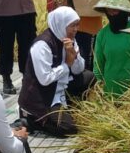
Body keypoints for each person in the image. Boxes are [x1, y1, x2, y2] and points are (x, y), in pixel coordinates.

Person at [19, 7, 94, 137]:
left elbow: (79, 69)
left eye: (77, 25)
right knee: (69, 129)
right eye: (72, 26)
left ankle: (66, 109)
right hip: (42, 96)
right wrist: (67, 65)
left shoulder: (70, 39)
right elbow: (45, 79)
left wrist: (74, 56)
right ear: (61, 24)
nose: (76, 29)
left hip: (59, 88)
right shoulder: (42, 45)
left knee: (89, 77)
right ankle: (34, 120)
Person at [92, 0, 130, 97]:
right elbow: (98, 64)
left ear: (123, 11)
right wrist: (99, 86)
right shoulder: (102, 35)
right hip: (109, 91)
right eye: (109, 11)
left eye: (115, 11)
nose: (112, 14)